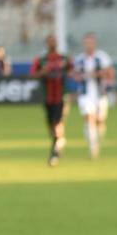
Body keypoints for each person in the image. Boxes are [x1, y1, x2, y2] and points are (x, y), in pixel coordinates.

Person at [70, 33, 114, 159]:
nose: (89, 44)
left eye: (91, 42)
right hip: (85, 94)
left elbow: (111, 73)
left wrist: (99, 74)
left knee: (100, 121)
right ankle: (93, 147)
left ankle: (96, 139)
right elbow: (74, 74)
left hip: (100, 93)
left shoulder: (102, 57)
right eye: (86, 42)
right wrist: (79, 76)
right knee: (89, 118)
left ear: (94, 43)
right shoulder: (80, 59)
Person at [30, 35, 71, 167]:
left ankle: (54, 152)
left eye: (54, 41)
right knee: (51, 125)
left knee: (57, 123)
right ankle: (59, 142)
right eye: (50, 41)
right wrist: (43, 71)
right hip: (48, 98)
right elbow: (32, 75)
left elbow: (73, 71)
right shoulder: (41, 60)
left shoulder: (64, 59)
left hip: (61, 97)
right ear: (46, 43)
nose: (52, 43)